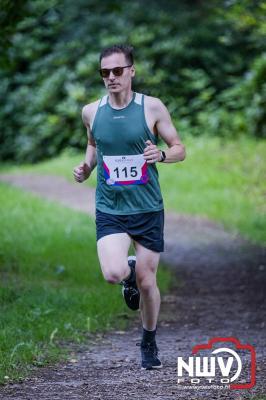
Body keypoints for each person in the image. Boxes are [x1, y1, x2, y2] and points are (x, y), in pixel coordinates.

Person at [73, 44, 186, 370]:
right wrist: (86, 167)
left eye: (117, 71)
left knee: (148, 282)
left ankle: (148, 340)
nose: (111, 77)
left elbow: (179, 148)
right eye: (104, 72)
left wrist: (161, 155)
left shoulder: (151, 108)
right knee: (113, 272)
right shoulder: (91, 112)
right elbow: (93, 144)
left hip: (148, 207)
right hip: (110, 207)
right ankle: (128, 275)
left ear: (131, 71)